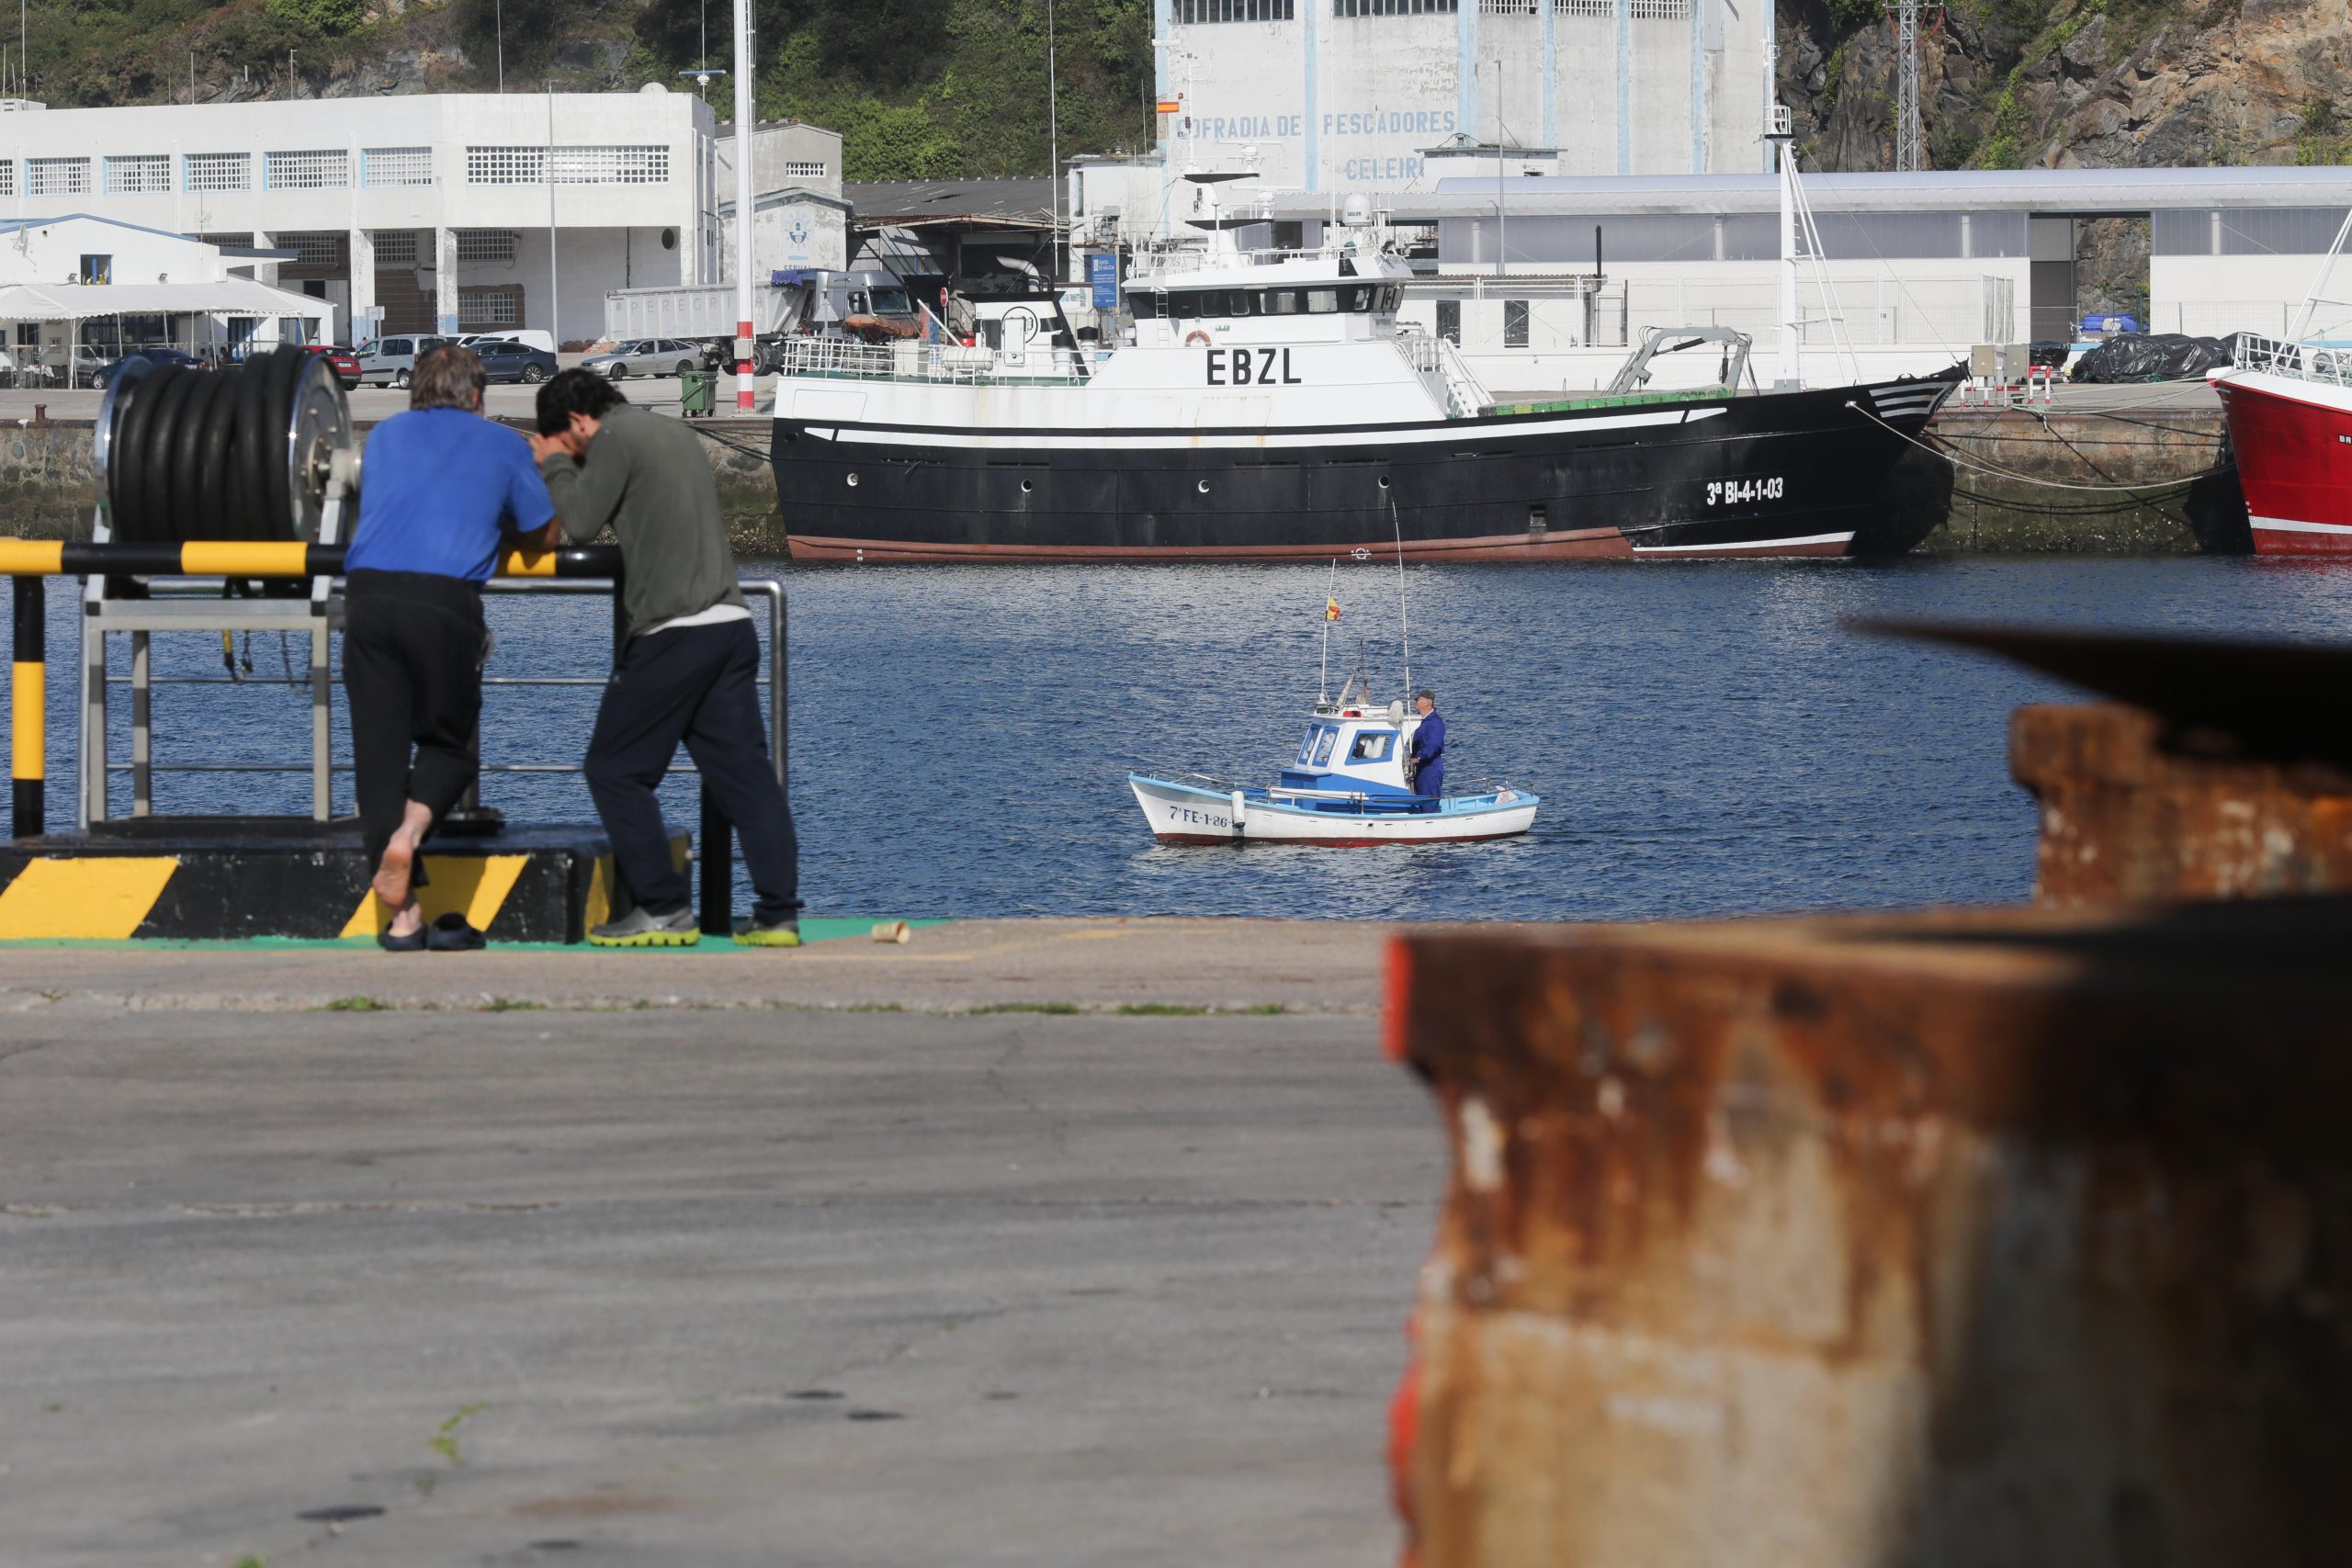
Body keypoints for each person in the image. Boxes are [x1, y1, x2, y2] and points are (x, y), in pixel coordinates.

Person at [529, 368, 802, 949]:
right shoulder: (672, 432)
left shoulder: (612, 438)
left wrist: (552, 461)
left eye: (567, 438)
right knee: (748, 780)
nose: (575, 453)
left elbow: (578, 524)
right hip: (729, 625)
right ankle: (778, 914)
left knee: (615, 769)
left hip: (673, 633)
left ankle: (662, 906)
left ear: (577, 420)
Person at [342, 344, 557, 951]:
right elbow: (545, 531)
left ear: (414, 390)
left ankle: (404, 920)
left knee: (379, 761)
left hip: (367, 598)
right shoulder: (501, 444)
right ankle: (408, 836)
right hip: (442, 604)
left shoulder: (383, 438)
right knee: (450, 747)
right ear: (478, 395)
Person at [1407, 689, 1445, 806]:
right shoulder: (1423, 722)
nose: (1415, 702)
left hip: (1431, 768)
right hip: (1421, 768)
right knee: (1420, 801)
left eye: (1418, 700)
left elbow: (1434, 745)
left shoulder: (1436, 723)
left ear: (1428, 702)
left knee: (1428, 803)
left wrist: (1418, 757)